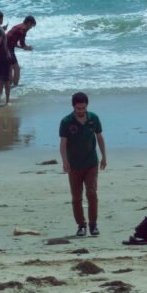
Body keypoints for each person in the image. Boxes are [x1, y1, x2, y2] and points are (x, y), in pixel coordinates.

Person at [59, 92, 107, 237]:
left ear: (87, 106)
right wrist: (64, 161)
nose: (80, 111)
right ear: (73, 106)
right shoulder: (66, 121)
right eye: (78, 108)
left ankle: (93, 225)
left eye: (83, 108)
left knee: (92, 193)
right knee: (76, 197)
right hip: (74, 165)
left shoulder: (94, 118)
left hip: (91, 162)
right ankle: (81, 225)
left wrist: (104, 157)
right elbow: (63, 143)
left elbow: (99, 137)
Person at [6, 15, 36, 87]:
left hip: (3, 48)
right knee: (17, 69)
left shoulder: (17, 26)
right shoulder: (23, 29)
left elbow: (11, 41)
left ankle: (8, 87)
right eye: (31, 25)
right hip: (8, 49)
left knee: (10, 69)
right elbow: (22, 44)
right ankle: (15, 87)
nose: (31, 28)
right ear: (28, 23)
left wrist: (24, 47)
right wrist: (27, 47)